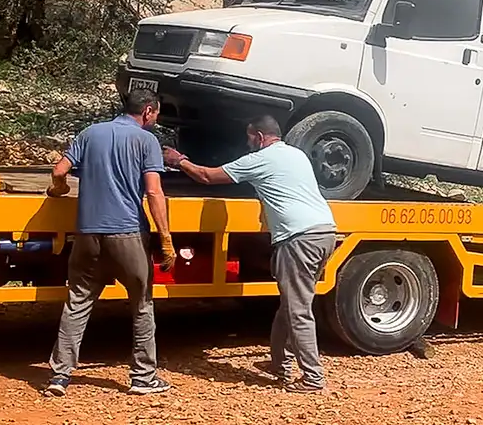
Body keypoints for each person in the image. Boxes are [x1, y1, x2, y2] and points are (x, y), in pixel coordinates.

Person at [163, 116, 337, 393]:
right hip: (324, 233)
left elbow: (207, 177)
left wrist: (179, 160)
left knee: (298, 310)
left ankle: (313, 377)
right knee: (291, 304)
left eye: (249, 137)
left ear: (259, 135)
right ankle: (280, 363)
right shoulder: (296, 154)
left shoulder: (261, 159)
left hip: (297, 239)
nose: (247, 143)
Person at [44, 88, 176, 398]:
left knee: (77, 302)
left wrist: (59, 189)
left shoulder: (92, 133)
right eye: (156, 113)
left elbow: (59, 170)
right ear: (147, 111)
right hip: (127, 232)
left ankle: (59, 377)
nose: (156, 119)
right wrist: (166, 239)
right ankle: (143, 378)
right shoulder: (147, 141)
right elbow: (154, 193)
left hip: (88, 233)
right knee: (142, 304)